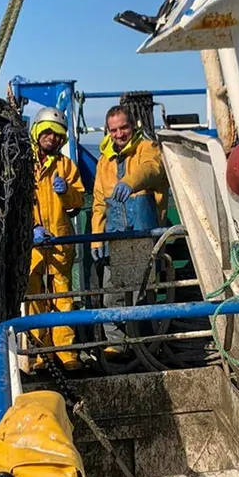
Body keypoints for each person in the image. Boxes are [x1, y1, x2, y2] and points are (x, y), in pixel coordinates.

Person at [90, 105, 169, 350]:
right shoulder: (104, 161)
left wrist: (129, 182)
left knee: (142, 293)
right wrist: (96, 238)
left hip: (143, 234)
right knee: (111, 293)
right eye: (113, 130)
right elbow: (99, 203)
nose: (119, 134)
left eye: (123, 127)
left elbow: (153, 169)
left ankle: (146, 346)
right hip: (114, 235)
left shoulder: (147, 148)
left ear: (133, 126)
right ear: (108, 131)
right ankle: (117, 346)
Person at [27, 106, 86, 371]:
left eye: (57, 134)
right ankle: (42, 355)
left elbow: (78, 203)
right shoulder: (22, 163)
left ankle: (66, 353)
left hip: (61, 242)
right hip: (32, 247)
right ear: (38, 131)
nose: (52, 137)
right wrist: (31, 230)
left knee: (63, 297)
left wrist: (67, 192)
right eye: (47, 131)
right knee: (35, 299)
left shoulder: (66, 165)